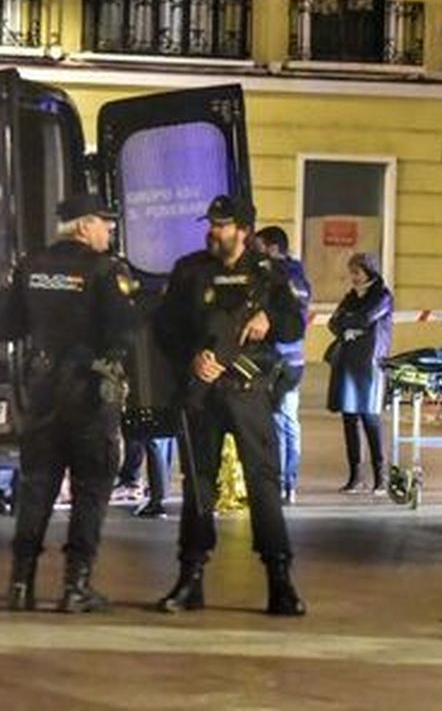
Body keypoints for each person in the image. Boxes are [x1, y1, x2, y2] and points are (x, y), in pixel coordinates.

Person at [154, 195, 305, 617]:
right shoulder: (191, 270)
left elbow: (294, 324)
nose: (212, 231)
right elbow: (165, 327)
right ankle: (190, 578)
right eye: (212, 224)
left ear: (243, 230)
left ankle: (280, 581)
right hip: (202, 395)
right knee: (199, 488)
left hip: (248, 391)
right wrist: (191, 358)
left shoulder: (269, 275)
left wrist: (270, 321)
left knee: (263, 485)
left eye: (221, 225)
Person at [0, 193, 139, 613]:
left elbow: (6, 327)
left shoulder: (30, 266)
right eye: (103, 224)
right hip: (89, 396)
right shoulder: (105, 270)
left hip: (42, 394)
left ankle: (20, 585)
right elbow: (126, 333)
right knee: (91, 489)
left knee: (37, 486)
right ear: (83, 226)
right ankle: (76, 587)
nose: (108, 232)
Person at [327, 253, 394, 494]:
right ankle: (355, 476)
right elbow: (333, 323)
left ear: (369, 271)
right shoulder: (350, 297)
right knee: (349, 418)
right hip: (347, 361)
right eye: (351, 272)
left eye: (357, 272)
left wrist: (348, 321)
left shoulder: (382, 295)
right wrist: (349, 322)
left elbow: (367, 318)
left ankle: (381, 477)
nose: (353, 277)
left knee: (370, 417)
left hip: (369, 364)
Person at [253, 225, 311, 505]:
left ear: (273, 247)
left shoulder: (284, 276)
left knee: (282, 421)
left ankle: (285, 483)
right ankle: (282, 483)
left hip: (282, 360)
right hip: (285, 359)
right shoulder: (293, 275)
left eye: (259, 245)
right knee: (281, 420)